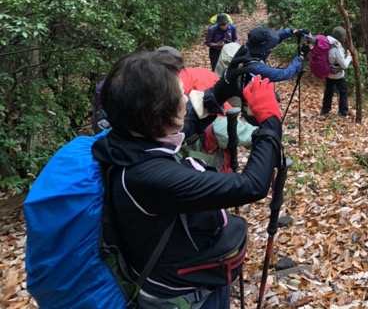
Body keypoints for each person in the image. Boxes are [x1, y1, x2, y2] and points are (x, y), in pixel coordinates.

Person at [91, 50, 283, 308]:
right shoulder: (151, 177)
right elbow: (252, 185)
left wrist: (223, 87)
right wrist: (270, 120)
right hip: (182, 297)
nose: (186, 97)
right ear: (158, 115)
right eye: (179, 95)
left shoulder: (127, 142)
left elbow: (186, 125)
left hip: (185, 271)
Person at [320, 27, 352, 117]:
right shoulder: (337, 49)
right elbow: (344, 65)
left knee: (328, 92)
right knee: (343, 91)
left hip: (328, 73)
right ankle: (343, 112)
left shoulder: (327, 44)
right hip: (337, 75)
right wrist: (349, 57)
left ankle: (325, 110)